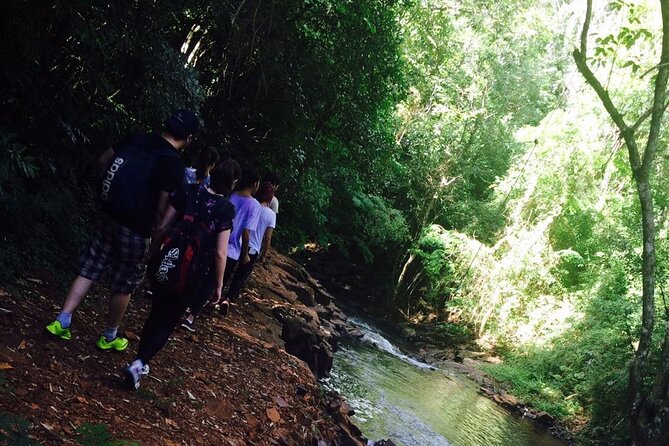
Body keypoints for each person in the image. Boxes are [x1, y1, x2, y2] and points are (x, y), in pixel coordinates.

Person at [46, 110, 199, 351]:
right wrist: (156, 241)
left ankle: (62, 319)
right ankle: (109, 336)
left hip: (108, 212)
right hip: (136, 227)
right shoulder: (172, 163)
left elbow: (103, 161)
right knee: (125, 282)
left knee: (91, 265)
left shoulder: (136, 138)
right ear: (189, 138)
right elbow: (162, 211)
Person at [122, 159, 239, 389]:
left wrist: (152, 253)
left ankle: (140, 360)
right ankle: (139, 364)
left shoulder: (189, 190)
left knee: (156, 311)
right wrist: (218, 286)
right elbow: (220, 252)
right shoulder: (225, 209)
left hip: (167, 259)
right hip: (193, 272)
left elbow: (163, 224)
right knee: (169, 320)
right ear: (232, 183)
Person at [220, 181, 276, 305]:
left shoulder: (252, 205)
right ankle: (228, 299)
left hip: (239, 243)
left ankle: (217, 294)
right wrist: (264, 254)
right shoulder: (271, 214)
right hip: (253, 248)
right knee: (240, 277)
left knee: (227, 271)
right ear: (271, 197)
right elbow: (267, 238)